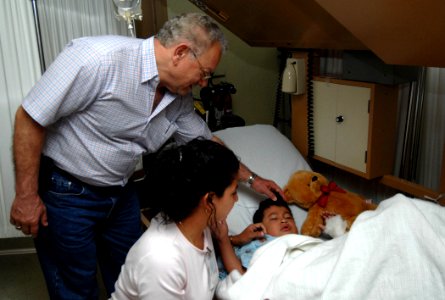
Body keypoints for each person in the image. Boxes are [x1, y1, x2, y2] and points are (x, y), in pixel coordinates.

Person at [9, 12, 283, 298]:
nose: (204, 83)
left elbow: (208, 144)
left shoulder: (178, 97)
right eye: (204, 73)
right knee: (75, 286)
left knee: (132, 276)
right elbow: (30, 118)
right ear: (180, 53)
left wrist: (252, 179)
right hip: (68, 194)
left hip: (121, 192)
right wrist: (26, 196)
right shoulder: (97, 59)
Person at [110, 139, 240, 299]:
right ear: (209, 200)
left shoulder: (200, 225)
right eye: (233, 193)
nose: (237, 199)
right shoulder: (162, 259)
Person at [214, 195, 298, 278]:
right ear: (260, 228)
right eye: (274, 218)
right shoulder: (260, 246)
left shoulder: (305, 243)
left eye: (288, 217)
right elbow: (241, 275)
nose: (284, 220)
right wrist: (224, 238)